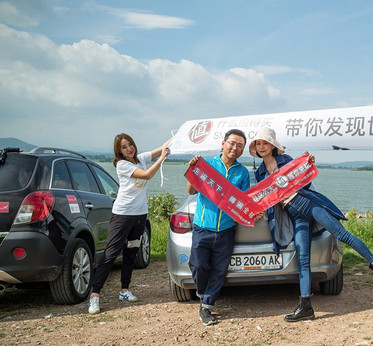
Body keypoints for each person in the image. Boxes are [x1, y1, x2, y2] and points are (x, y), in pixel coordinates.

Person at [249, 127, 373, 323]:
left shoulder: (287, 160)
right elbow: (267, 200)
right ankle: (306, 306)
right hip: (294, 216)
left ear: (272, 145)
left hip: (309, 205)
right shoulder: (259, 173)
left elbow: (305, 183)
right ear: (255, 148)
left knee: (342, 235)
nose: (262, 146)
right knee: (303, 260)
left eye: (265, 142)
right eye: (258, 143)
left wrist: (308, 167)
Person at [88, 133, 171, 314]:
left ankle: (124, 291)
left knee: (131, 252)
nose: (129, 149)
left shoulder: (140, 158)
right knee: (110, 254)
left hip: (140, 215)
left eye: (130, 144)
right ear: (119, 151)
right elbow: (147, 175)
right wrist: (162, 158)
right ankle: (94, 296)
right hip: (123, 215)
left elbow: (161, 147)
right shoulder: (122, 165)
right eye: (124, 147)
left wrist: (180, 135)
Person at [186, 129, 251, 326]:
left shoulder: (242, 172)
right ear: (223, 143)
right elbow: (190, 191)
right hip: (202, 226)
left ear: (242, 150)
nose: (235, 148)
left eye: (240, 146)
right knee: (197, 264)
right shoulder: (207, 165)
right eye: (232, 143)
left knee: (219, 270)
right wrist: (193, 171)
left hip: (226, 229)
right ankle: (202, 292)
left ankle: (207, 306)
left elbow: (244, 201)